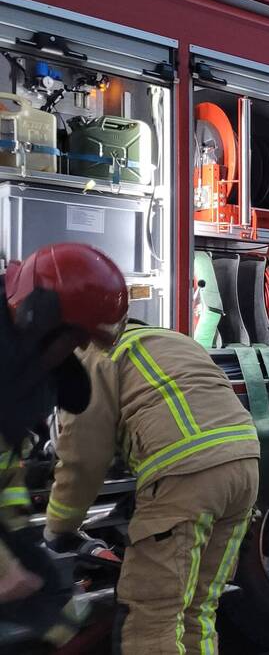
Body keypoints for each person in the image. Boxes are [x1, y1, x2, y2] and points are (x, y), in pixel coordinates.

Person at [43, 313, 261, 654]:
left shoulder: (93, 356)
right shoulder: (173, 340)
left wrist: (60, 526)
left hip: (187, 478)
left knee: (153, 616)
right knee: (197, 608)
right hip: (244, 468)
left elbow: (83, 455)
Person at [0, 242, 129, 644]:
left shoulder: (26, 364)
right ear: (41, 317)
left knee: (53, 601)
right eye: (73, 337)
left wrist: (23, 540)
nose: (76, 351)